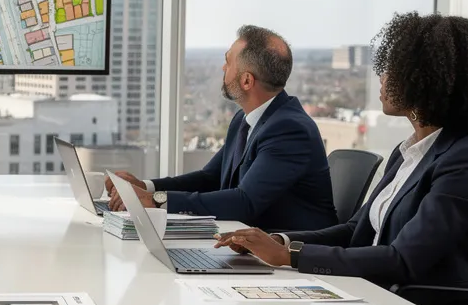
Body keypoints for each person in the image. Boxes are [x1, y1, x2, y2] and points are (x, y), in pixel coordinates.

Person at [216, 13, 468, 305]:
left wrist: (289, 257)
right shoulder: (411, 153)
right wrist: (279, 241)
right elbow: (355, 230)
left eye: (391, 68)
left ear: (426, 79)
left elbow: (403, 260)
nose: (381, 78)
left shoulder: (467, 161)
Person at [108, 25, 337, 232]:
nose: (223, 67)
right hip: (247, 244)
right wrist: (146, 187)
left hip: (290, 258)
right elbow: (210, 178)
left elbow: (244, 202)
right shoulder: (244, 120)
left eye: (228, 62)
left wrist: (155, 200)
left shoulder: (289, 130)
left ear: (247, 81)